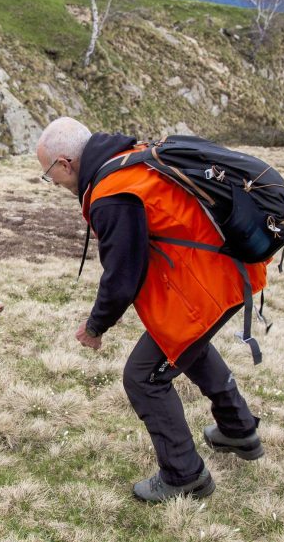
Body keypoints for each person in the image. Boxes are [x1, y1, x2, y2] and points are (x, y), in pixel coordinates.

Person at [35, 116, 267, 503]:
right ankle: (238, 430)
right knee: (180, 342)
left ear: (65, 163)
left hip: (210, 283)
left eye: (49, 174)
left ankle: (184, 475)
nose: (53, 183)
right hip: (226, 271)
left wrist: (95, 326)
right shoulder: (129, 160)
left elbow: (123, 273)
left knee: (143, 377)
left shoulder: (111, 192)